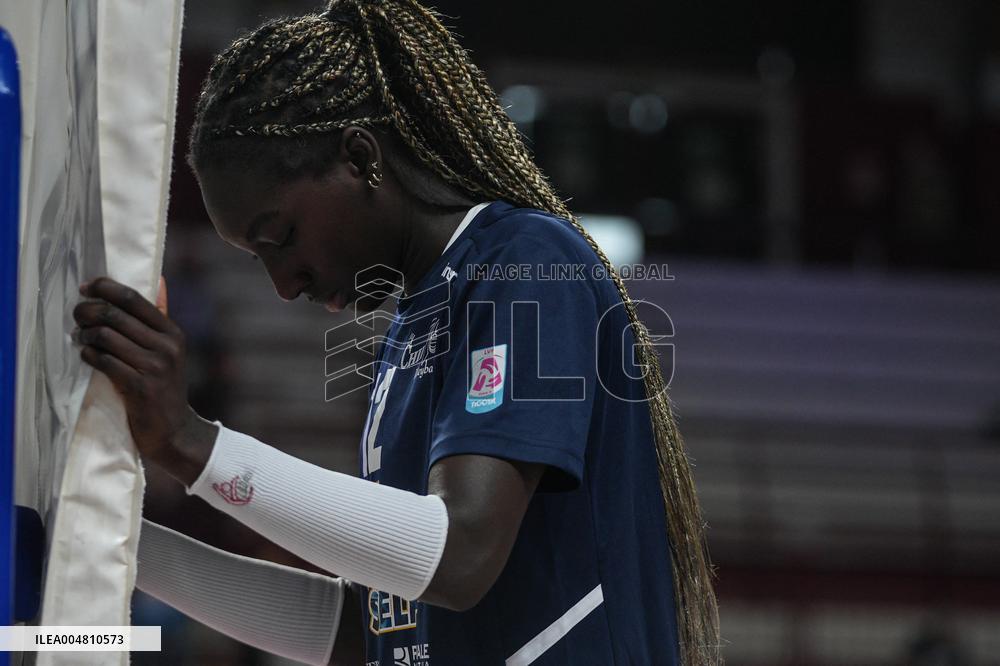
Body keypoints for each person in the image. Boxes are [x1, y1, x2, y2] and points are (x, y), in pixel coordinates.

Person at [71, 1, 720, 664]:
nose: (283, 285)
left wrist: (191, 444)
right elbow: (374, 627)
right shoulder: (412, 328)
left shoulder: (523, 263)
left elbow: (458, 555)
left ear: (360, 157)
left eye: (279, 237)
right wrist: (122, 543)